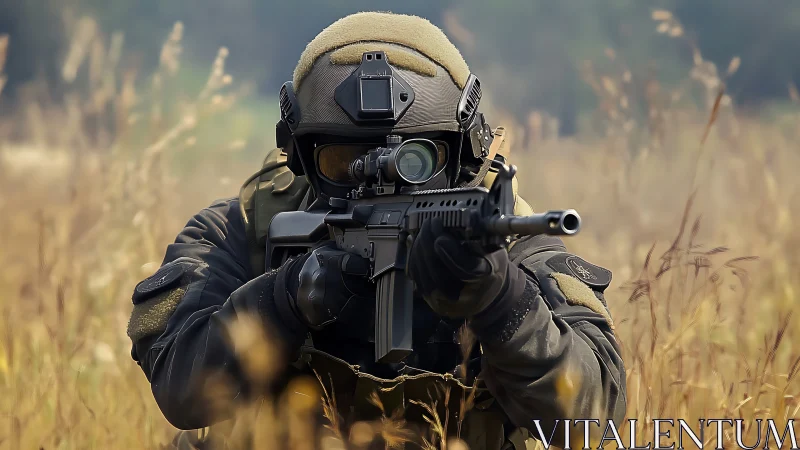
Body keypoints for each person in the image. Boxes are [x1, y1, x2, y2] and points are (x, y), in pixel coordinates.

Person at [126, 11, 626, 450]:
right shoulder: (242, 231)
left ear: (465, 152)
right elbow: (181, 389)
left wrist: (502, 303)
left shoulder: (510, 241)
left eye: (417, 158)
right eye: (344, 161)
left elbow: (591, 418)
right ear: (301, 156)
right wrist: (288, 297)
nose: (379, 180)